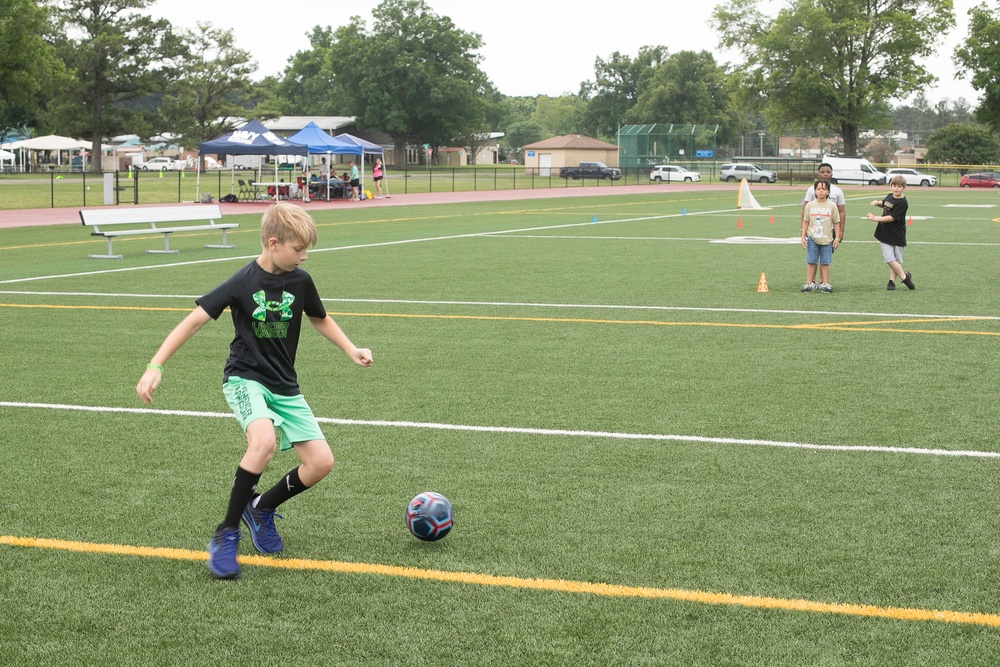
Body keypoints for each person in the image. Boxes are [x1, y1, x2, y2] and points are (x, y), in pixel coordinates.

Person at [135, 202, 374, 579]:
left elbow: (320, 318)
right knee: (261, 442)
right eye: (299, 249)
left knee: (321, 463)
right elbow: (194, 321)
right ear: (274, 243)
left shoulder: (301, 280)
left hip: (285, 384)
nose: (305, 256)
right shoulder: (242, 281)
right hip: (245, 378)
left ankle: (260, 508)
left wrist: (351, 349)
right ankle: (226, 533)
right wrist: (155, 365)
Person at [866, 174, 914, 290]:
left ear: (904, 188)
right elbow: (886, 204)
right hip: (884, 233)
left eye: (899, 186)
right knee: (890, 259)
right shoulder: (889, 196)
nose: (896, 188)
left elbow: (892, 218)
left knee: (896, 260)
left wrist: (875, 218)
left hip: (897, 234)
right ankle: (905, 278)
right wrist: (878, 203)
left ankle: (892, 281)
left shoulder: (903, 202)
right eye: (894, 185)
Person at [800, 180, 842, 293]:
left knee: (825, 262)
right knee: (811, 261)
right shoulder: (810, 205)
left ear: (828, 191)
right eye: (819, 189)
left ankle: (824, 283)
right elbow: (805, 221)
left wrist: (837, 238)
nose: (821, 191)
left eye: (824, 189)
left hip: (827, 239)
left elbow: (837, 222)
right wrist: (802, 236)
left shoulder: (832, 206)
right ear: (815, 191)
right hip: (812, 238)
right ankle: (809, 283)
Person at [801, 162, 846, 241]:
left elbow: (841, 212)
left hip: (830, 228)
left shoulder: (838, 191)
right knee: (813, 252)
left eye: (828, 172)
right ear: (818, 174)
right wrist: (802, 229)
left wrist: (841, 230)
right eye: (822, 172)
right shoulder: (811, 190)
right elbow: (805, 209)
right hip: (813, 229)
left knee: (827, 252)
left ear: (832, 174)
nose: (825, 174)